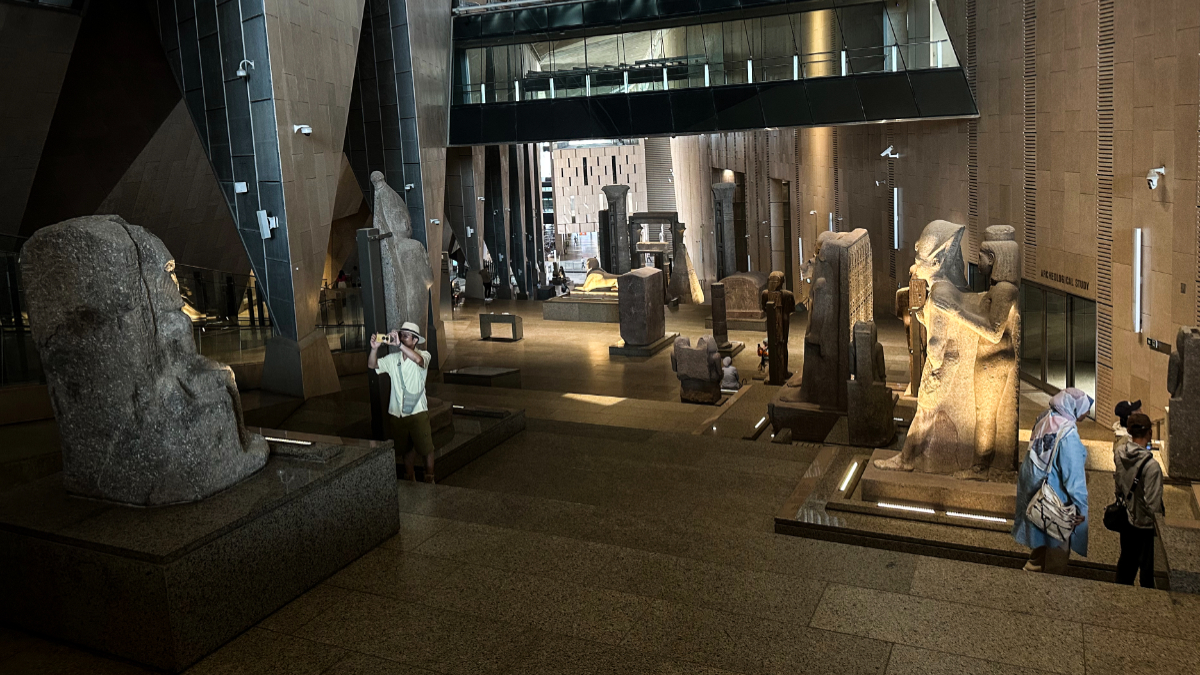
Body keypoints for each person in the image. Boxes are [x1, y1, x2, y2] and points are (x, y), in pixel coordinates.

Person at [1012, 387, 1093, 574]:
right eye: (1085, 410)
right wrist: (1081, 509)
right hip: (1056, 501)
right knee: (1057, 548)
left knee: (1040, 545)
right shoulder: (1068, 435)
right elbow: (1074, 478)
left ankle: (1030, 574)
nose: (1086, 414)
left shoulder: (1045, 418)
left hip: (1037, 495)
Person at [367, 322, 435, 483]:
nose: (402, 339)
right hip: (397, 413)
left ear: (415, 340)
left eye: (406, 336)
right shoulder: (393, 359)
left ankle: (430, 477)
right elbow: (372, 365)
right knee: (405, 449)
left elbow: (418, 360)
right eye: (401, 335)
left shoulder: (424, 354)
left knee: (426, 448)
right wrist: (374, 348)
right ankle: (410, 477)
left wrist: (399, 345)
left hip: (418, 411)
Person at [1113, 412, 1164, 587]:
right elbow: (1153, 505)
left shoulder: (1119, 453)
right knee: (1148, 574)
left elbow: (1118, 484)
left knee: (1125, 566)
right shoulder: (1152, 467)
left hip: (1127, 519)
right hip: (1146, 528)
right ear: (1149, 433)